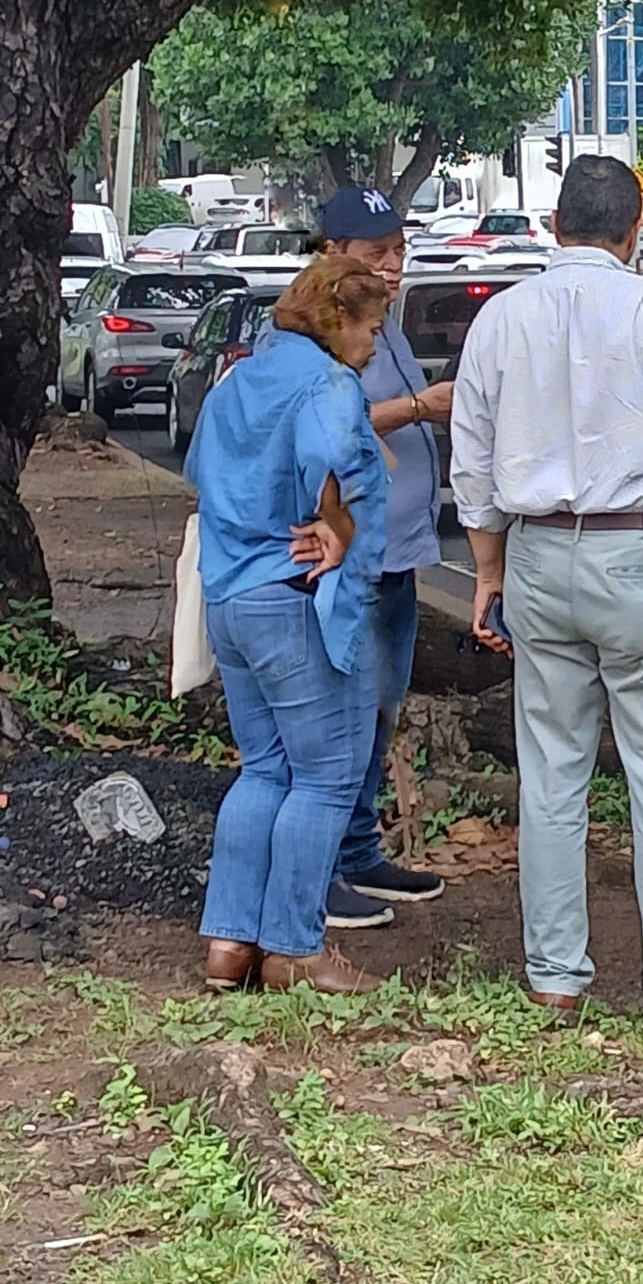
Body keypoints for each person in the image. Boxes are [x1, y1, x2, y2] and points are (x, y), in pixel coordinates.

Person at [451, 154, 643, 1039]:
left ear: (552, 222)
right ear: (636, 230)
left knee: (551, 772)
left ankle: (554, 976)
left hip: (541, 551)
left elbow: (471, 464)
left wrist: (489, 572)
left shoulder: (501, 319)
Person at [188, 256, 389, 994]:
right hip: (291, 595)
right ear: (339, 322)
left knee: (264, 769)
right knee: (328, 775)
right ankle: (295, 949)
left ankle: (229, 942)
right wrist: (339, 527)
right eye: (371, 329)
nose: (373, 346)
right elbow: (333, 453)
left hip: (230, 594)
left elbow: (202, 472)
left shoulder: (240, 376)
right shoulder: (327, 383)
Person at [286, 186, 452, 931]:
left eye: (400, 251)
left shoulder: (383, 325)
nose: (393, 266)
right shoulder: (320, 331)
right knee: (339, 718)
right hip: (351, 559)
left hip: (399, 552)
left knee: (380, 711)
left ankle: (359, 849)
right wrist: (420, 409)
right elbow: (327, 422)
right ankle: (320, 874)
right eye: (376, 253)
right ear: (334, 253)